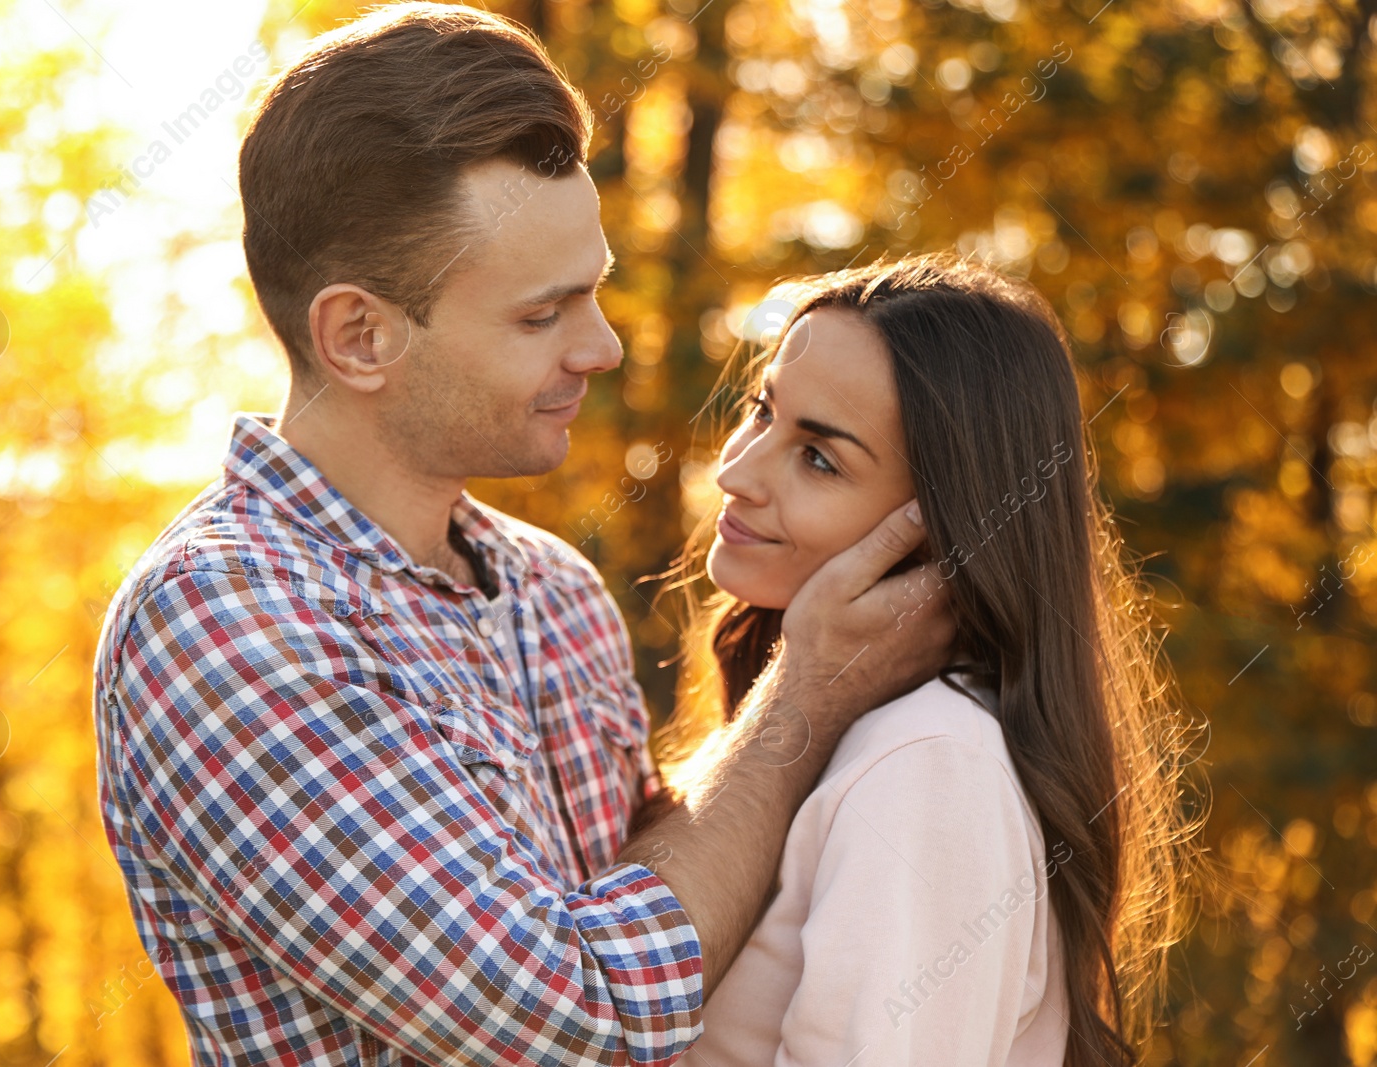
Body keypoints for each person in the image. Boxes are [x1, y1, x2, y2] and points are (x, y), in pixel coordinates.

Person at [90, 6, 952, 1065]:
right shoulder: (226, 626)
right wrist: (805, 696)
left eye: (592, 291)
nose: (600, 345)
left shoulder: (553, 589)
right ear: (359, 335)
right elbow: (581, 1024)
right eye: (541, 316)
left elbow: (681, 895)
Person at [653, 254, 1198, 1067]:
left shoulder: (929, 764)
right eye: (763, 413)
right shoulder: (840, 729)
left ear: (938, 531)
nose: (735, 469)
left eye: (819, 458)